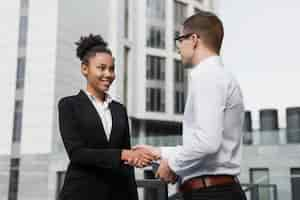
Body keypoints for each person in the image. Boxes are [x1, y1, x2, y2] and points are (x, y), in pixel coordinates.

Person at [135, 10, 247, 200]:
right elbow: (207, 146)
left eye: (180, 40)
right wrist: (159, 152)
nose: (178, 48)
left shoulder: (208, 75)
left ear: (194, 39)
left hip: (211, 194)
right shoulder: (217, 75)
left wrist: (172, 164)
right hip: (214, 191)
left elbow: (206, 143)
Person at [58, 34, 156, 200]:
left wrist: (134, 157)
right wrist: (123, 154)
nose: (108, 74)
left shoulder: (119, 110)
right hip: (81, 194)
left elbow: (127, 165)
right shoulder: (69, 105)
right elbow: (77, 154)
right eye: (101, 68)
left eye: (111, 69)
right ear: (84, 68)